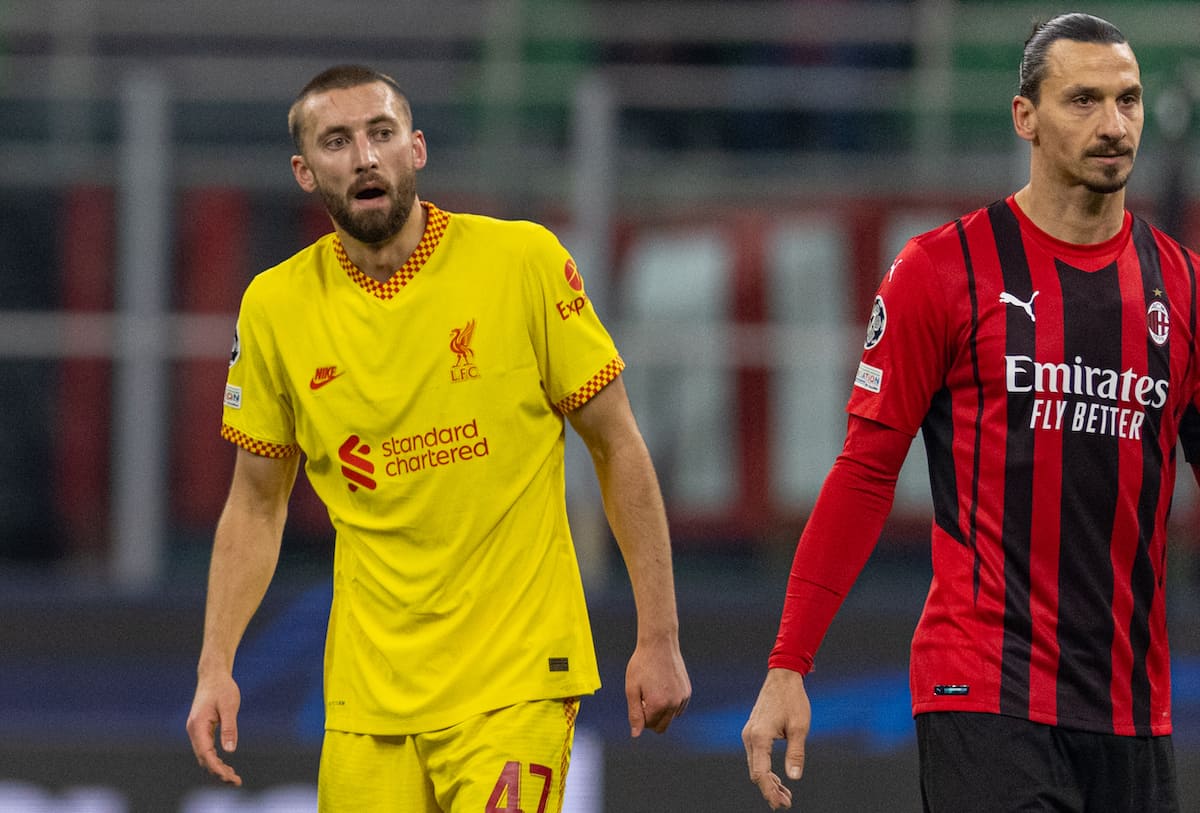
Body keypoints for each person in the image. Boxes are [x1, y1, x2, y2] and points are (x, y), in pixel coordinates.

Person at [185, 64, 691, 811]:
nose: (364, 157)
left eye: (381, 133)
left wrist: (660, 636)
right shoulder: (274, 308)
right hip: (368, 697)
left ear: (416, 148)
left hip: (514, 680)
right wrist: (215, 662)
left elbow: (617, 444)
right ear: (303, 171)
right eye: (337, 141)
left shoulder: (522, 262)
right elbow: (256, 503)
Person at [742, 13, 1200, 812]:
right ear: (1024, 116)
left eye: (1127, 101)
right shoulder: (942, 270)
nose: (1113, 124)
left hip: (1133, 705)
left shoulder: (1184, 288)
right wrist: (790, 659)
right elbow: (864, 472)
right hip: (984, 688)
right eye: (1083, 100)